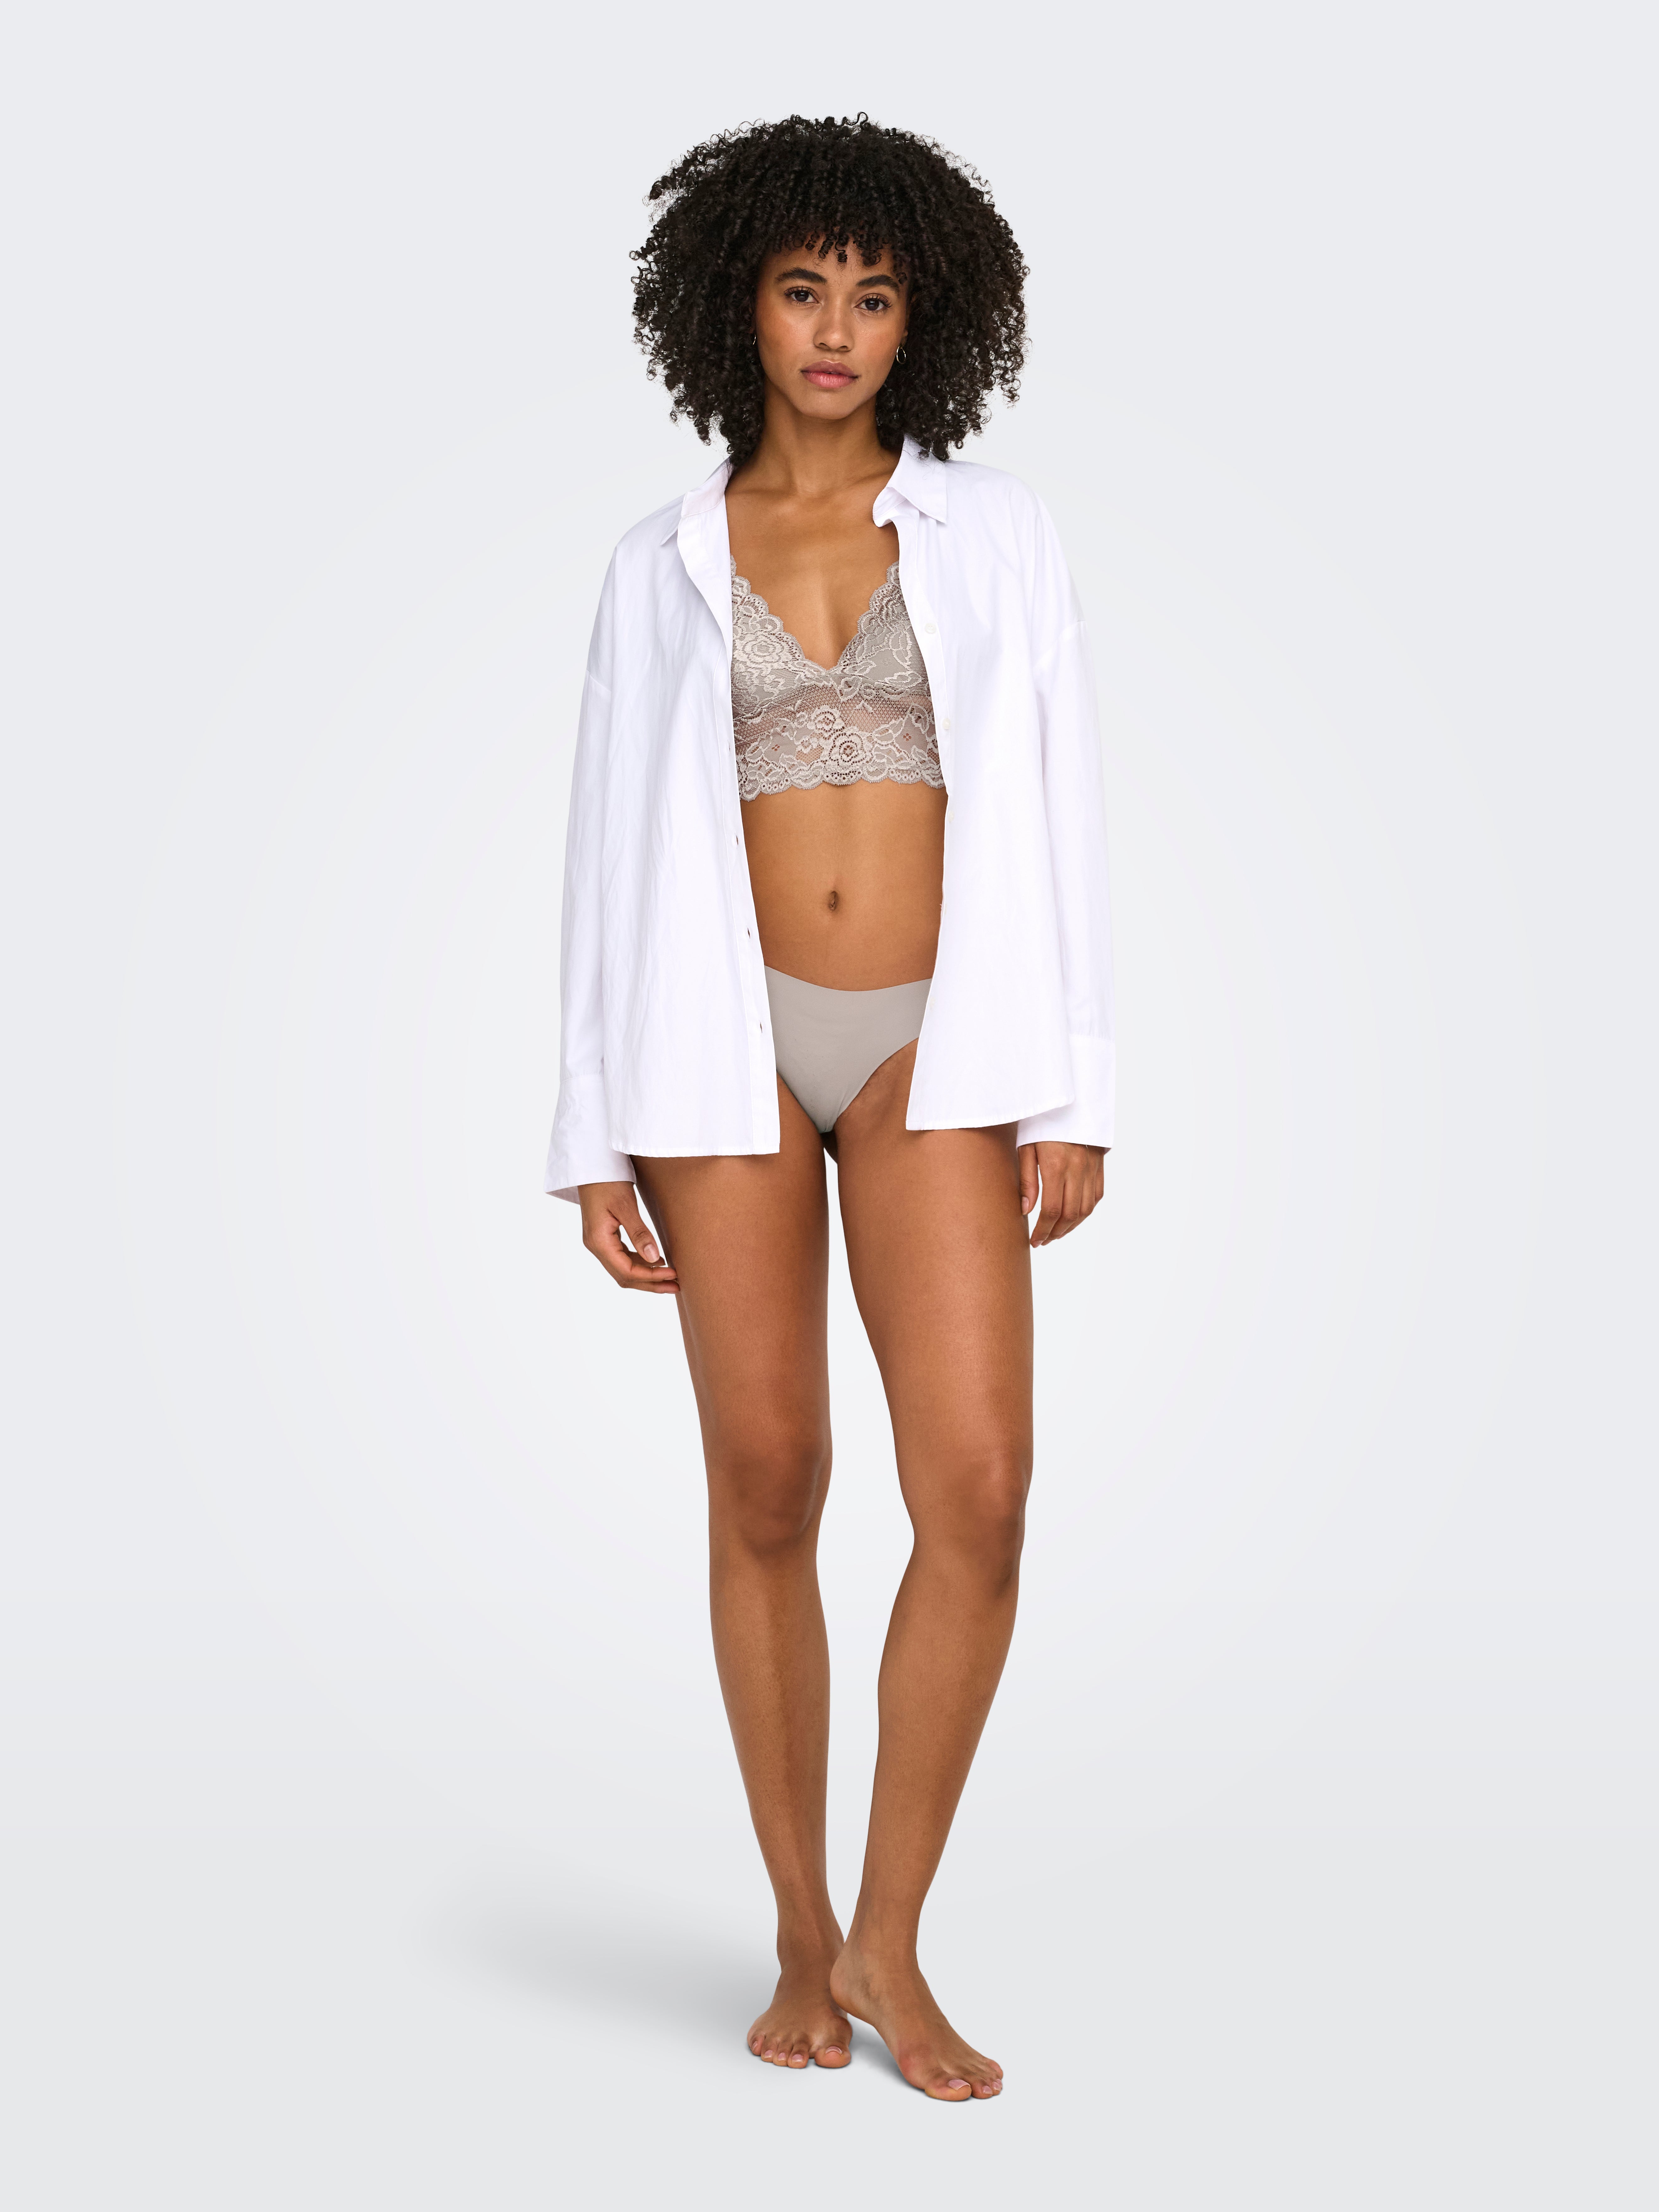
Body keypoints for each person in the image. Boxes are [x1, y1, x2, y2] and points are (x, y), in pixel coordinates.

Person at [546, 115, 1113, 2102]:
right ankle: (799, 1931)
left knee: (978, 1490)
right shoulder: (657, 565)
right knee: (769, 1479)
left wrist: (1072, 1086)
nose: (835, 329)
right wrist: (589, 1132)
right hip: (714, 1051)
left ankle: (892, 1932)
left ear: (920, 320)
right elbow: (603, 856)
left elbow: (1061, 804)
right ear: (738, 303)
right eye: (802, 288)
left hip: (934, 1044)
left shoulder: (992, 534)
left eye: (873, 296)